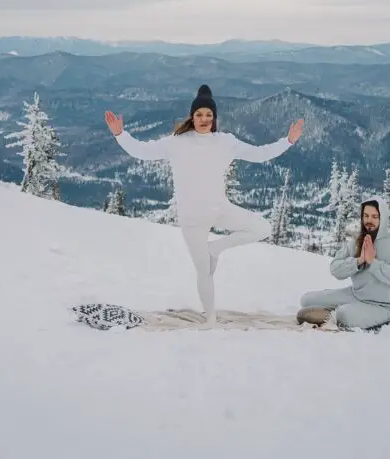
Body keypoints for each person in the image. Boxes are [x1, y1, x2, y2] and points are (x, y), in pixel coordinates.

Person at [105, 84, 304, 326]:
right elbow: (141, 151)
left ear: (214, 118)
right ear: (192, 116)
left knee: (263, 228)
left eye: (209, 115)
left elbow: (259, 153)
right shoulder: (176, 142)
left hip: (219, 210)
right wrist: (120, 134)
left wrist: (289, 141)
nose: (204, 119)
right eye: (199, 114)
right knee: (205, 272)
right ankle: (210, 318)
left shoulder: (225, 142)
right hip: (192, 220)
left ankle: (216, 249)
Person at [298, 198, 390, 329]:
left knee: (344, 315)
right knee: (306, 300)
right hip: (355, 295)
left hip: (383, 306)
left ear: (383, 218)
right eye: (366, 216)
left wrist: (373, 263)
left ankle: (341, 314)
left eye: (375, 216)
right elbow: (335, 269)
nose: (369, 220)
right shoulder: (357, 241)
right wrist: (359, 261)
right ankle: (337, 313)